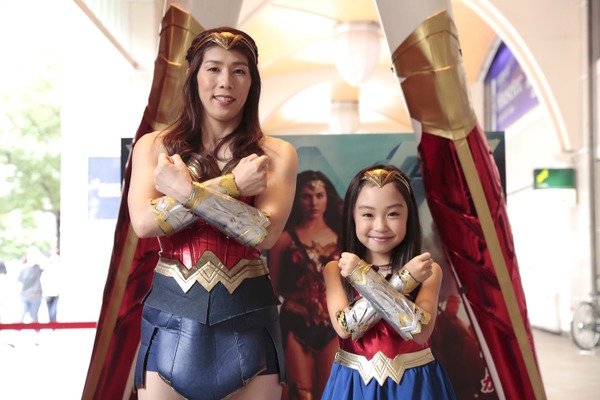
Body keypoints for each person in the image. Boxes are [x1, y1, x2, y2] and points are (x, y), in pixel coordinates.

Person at [127, 26, 298, 400]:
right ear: (194, 75)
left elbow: (264, 233)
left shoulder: (277, 153)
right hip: (170, 314)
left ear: (252, 81)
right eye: (214, 68)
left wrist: (185, 192)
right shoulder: (154, 147)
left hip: (250, 317)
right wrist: (232, 185)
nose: (226, 82)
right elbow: (143, 222)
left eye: (239, 70)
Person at [322, 164, 456, 399]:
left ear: (408, 216)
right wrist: (405, 280)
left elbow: (420, 331)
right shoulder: (336, 270)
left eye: (393, 214)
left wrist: (363, 276)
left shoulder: (428, 270)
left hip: (416, 386)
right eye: (367, 214)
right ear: (352, 216)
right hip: (354, 385)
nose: (380, 226)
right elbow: (345, 327)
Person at [268, 170, 343, 399]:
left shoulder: (343, 239)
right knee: (300, 393)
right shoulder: (283, 240)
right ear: (296, 199)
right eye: (306, 196)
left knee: (330, 391)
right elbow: (272, 290)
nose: (313, 203)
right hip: (295, 324)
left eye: (319, 195)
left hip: (334, 326)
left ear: (327, 198)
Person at [17, 246, 44, 323]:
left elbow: (46, 263)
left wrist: (38, 253)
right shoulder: (23, 269)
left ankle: (36, 329)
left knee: (34, 317)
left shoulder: (39, 268)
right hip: (24, 296)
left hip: (36, 296)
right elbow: (20, 283)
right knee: (21, 316)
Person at [41, 248, 61, 323]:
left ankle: (54, 325)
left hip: (57, 293)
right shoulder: (47, 267)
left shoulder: (61, 267)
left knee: (53, 312)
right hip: (48, 293)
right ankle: (52, 325)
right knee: (50, 312)